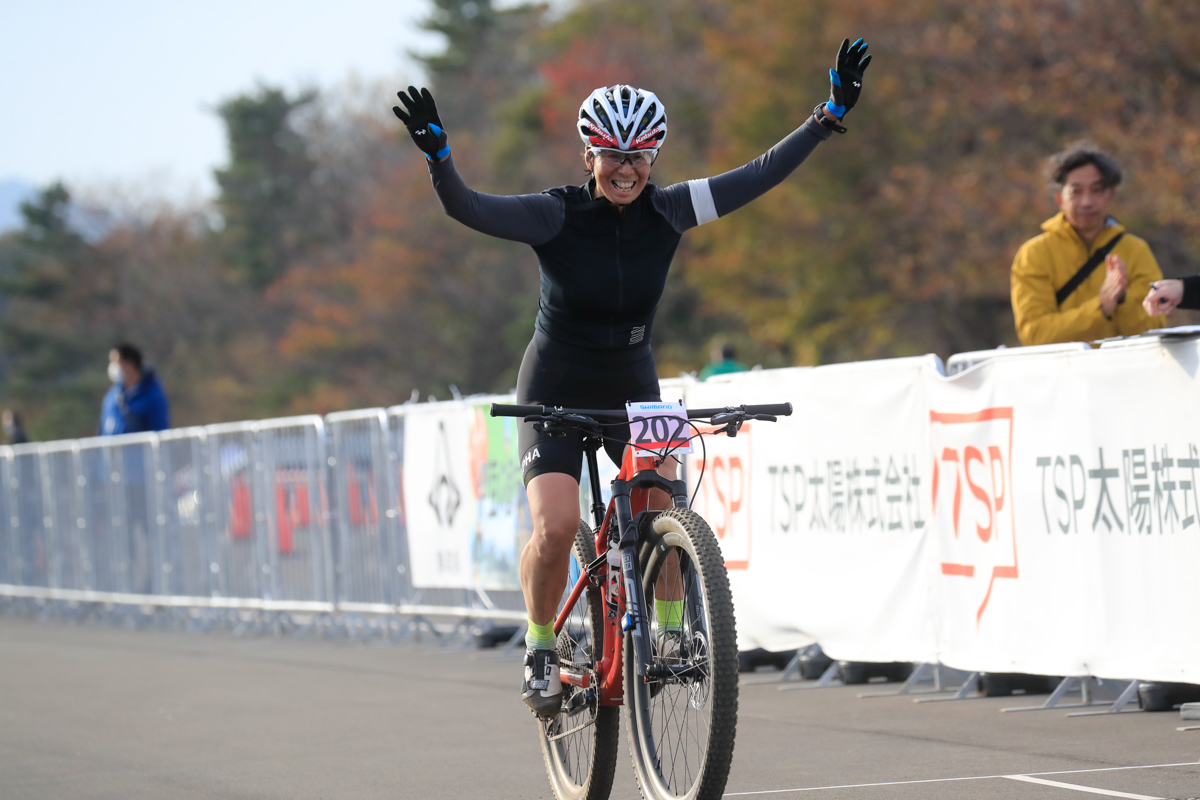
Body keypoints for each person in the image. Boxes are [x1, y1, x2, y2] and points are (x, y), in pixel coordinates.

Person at [393, 38, 871, 717]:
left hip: (630, 380)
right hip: (554, 381)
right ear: (589, 155)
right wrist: (439, 159)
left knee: (664, 505)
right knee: (556, 527)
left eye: (639, 155)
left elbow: (758, 174)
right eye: (614, 155)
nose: (626, 168)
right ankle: (538, 646)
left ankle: (670, 630)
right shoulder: (555, 214)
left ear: (653, 157)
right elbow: (467, 207)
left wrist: (826, 117)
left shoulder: (670, 210)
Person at [1011, 142, 1166, 346]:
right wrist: (1100, 308)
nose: (1087, 201)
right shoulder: (1034, 254)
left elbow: (1155, 331)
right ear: (1060, 199)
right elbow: (1035, 335)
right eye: (1076, 192)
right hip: (1062, 375)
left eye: (1097, 190)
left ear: (1111, 195)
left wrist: (1121, 301)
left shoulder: (1136, 251)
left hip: (1125, 372)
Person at [100, 343, 170, 436]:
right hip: (113, 450)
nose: (113, 367)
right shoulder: (112, 395)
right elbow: (103, 430)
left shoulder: (153, 396)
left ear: (130, 364)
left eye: (116, 362)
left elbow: (160, 431)